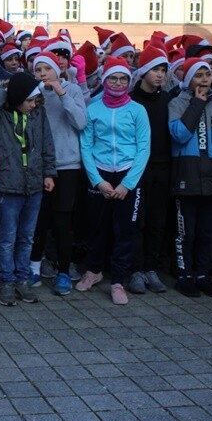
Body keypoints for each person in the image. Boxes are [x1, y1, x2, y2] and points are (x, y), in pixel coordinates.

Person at [76, 57, 151, 305]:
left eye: (122, 79)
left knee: (125, 231)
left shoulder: (138, 110)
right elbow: (86, 147)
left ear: (129, 82)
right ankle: (94, 271)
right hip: (100, 174)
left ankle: (118, 281)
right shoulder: (93, 109)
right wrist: (97, 181)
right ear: (104, 80)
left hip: (128, 176)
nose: (118, 83)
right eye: (113, 78)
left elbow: (143, 149)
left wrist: (127, 184)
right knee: (96, 228)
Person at [0, 72, 56, 305]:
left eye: (35, 101)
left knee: (27, 237)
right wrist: (4, 87)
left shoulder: (38, 114)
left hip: (34, 184)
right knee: (8, 238)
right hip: (8, 185)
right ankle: (6, 281)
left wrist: (49, 172)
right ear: (16, 98)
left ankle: (22, 280)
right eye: (29, 100)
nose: (33, 105)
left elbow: (47, 143)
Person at [168, 58, 212, 298]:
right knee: (185, 231)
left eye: (207, 75)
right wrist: (196, 104)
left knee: (208, 232)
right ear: (188, 79)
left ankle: (202, 274)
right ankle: (184, 274)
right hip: (186, 177)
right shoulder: (177, 103)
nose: (204, 80)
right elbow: (179, 134)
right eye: (198, 76)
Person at [28, 50, 86, 295]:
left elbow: (81, 122)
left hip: (68, 164)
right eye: (38, 70)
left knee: (62, 221)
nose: (43, 74)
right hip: (40, 166)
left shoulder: (71, 90)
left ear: (58, 69)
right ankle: (33, 267)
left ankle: (63, 271)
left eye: (47, 69)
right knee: (38, 220)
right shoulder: (35, 95)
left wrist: (62, 94)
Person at [128, 44, 173, 294]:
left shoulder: (168, 100)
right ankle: (135, 269)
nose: (160, 74)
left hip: (162, 167)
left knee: (157, 220)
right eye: (155, 69)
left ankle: (151, 268)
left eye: (164, 70)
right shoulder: (132, 101)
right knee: (137, 220)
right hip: (137, 169)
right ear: (144, 71)